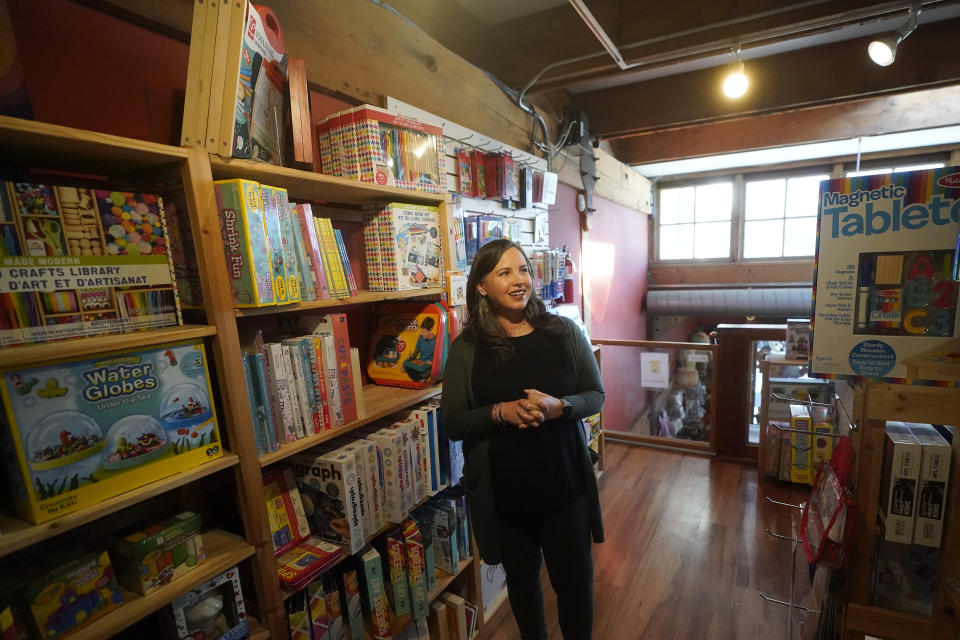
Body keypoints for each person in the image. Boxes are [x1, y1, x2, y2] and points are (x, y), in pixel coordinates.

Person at [442, 239, 604, 640]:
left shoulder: (563, 332)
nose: (519, 281)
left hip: (566, 489)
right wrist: (501, 412)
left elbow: (595, 394)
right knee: (523, 583)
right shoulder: (466, 349)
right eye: (505, 272)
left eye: (524, 270)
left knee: (576, 588)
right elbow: (453, 422)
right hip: (505, 498)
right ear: (481, 286)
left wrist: (559, 406)